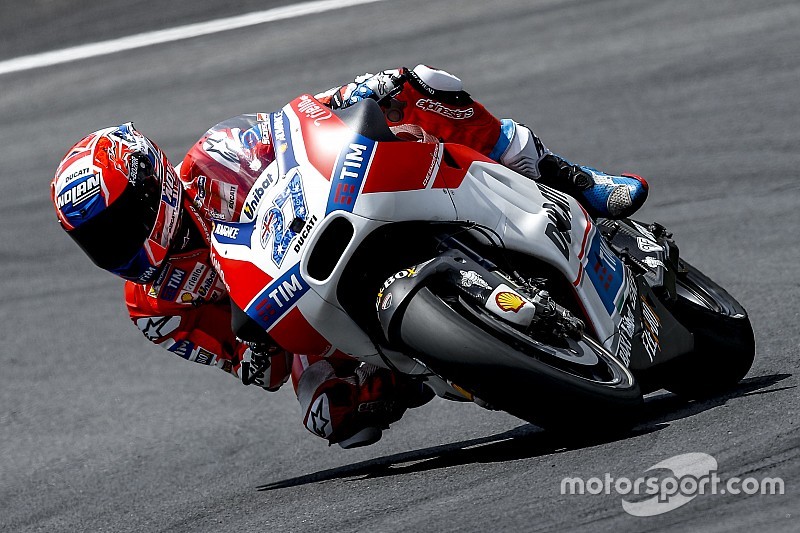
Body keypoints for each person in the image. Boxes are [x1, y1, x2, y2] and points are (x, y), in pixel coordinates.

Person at [51, 65, 648, 449]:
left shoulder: (215, 154)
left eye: (120, 223)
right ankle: (428, 366)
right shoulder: (153, 306)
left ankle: (567, 176)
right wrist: (255, 358)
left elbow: (296, 127)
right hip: (294, 315)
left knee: (419, 84)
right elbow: (247, 363)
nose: (117, 245)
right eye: (98, 241)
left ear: (154, 180)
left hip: (330, 218)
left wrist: (351, 97)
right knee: (333, 420)